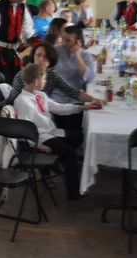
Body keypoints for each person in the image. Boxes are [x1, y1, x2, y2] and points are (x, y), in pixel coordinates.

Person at [12, 63, 99, 200]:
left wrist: (82, 108)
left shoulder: (40, 95)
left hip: (50, 132)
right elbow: (23, 130)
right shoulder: (23, 102)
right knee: (69, 153)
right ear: (36, 81)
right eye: (44, 79)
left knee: (78, 137)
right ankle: (73, 193)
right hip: (40, 138)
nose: (46, 81)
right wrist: (38, 146)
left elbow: (59, 108)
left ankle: (62, 162)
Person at [6, 42, 100, 105]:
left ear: (50, 61)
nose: (40, 59)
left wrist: (93, 100)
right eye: (38, 55)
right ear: (33, 56)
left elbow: (72, 91)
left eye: (45, 57)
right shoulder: (23, 74)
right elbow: (13, 100)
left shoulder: (52, 74)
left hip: (40, 110)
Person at [53, 26, 94, 103]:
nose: (63, 43)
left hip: (75, 98)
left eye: (68, 41)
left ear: (78, 42)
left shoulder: (85, 56)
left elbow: (89, 79)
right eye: (62, 39)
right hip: (55, 97)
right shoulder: (55, 51)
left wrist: (78, 57)